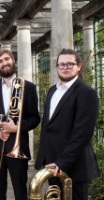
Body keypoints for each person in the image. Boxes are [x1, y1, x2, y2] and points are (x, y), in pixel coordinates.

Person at [35, 48, 100, 200]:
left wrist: (62, 162)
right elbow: (48, 127)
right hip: (52, 162)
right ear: (57, 67)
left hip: (74, 164)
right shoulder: (52, 90)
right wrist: (44, 157)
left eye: (70, 64)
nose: (65, 68)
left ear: (79, 66)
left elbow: (82, 133)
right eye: (61, 64)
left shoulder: (87, 93)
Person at [0, 48, 40, 200]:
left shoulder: (29, 87)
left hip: (18, 147)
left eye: (7, 59)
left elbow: (35, 118)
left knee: (20, 191)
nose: (4, 63)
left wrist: (16, 128)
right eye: (0, 61)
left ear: (14, 61)